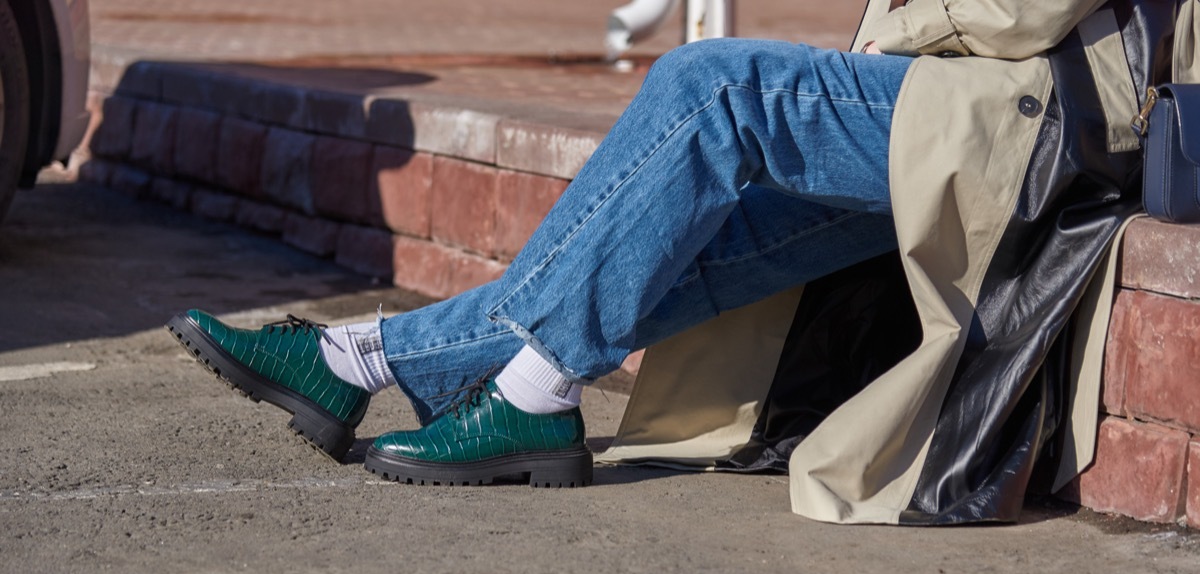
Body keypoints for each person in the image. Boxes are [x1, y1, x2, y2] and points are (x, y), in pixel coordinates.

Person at [169, 0, 1187, 524]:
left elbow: (1018, 15)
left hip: (1037, 123)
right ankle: (374, 359)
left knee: (712, 86)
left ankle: (516, 384)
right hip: (958, 105)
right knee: (708, 229)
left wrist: (887, 46)